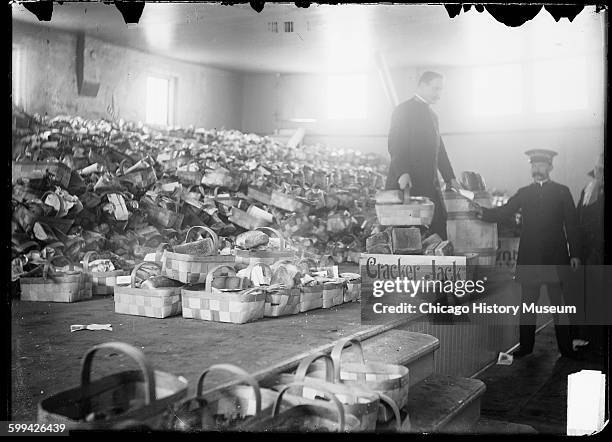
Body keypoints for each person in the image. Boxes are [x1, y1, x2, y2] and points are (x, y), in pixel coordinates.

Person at [471, 149, 582, 359]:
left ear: (550, 167)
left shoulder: (562, 192)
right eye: (533, 165)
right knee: (528, 306)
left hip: (556, 258)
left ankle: (566, 349)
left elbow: (573, 225)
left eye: (541, 165)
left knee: (559, 305)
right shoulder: (524, 193)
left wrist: (575, 254)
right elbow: (504, 211)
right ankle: (526, 347)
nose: (536, 169)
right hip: (530, 258)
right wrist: (483, 213)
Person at [385, 71, 461, 240]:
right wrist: (402, 171)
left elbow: (439, 150)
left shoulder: (433, 116)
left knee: (438, 224)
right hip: (407, 182)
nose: (438, 94)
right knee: (407, 231)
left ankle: (436, 262)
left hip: (429, 182)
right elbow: (395, 143)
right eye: (435, 89)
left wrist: (450, 177)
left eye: (440, 90)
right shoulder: (403, 110)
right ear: (422, 85)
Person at [574, 152, 606, 355]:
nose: (599, 174)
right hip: (591, 254)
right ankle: (593, 342)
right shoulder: (587, 191)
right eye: (598, 170)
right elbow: (578, 222)